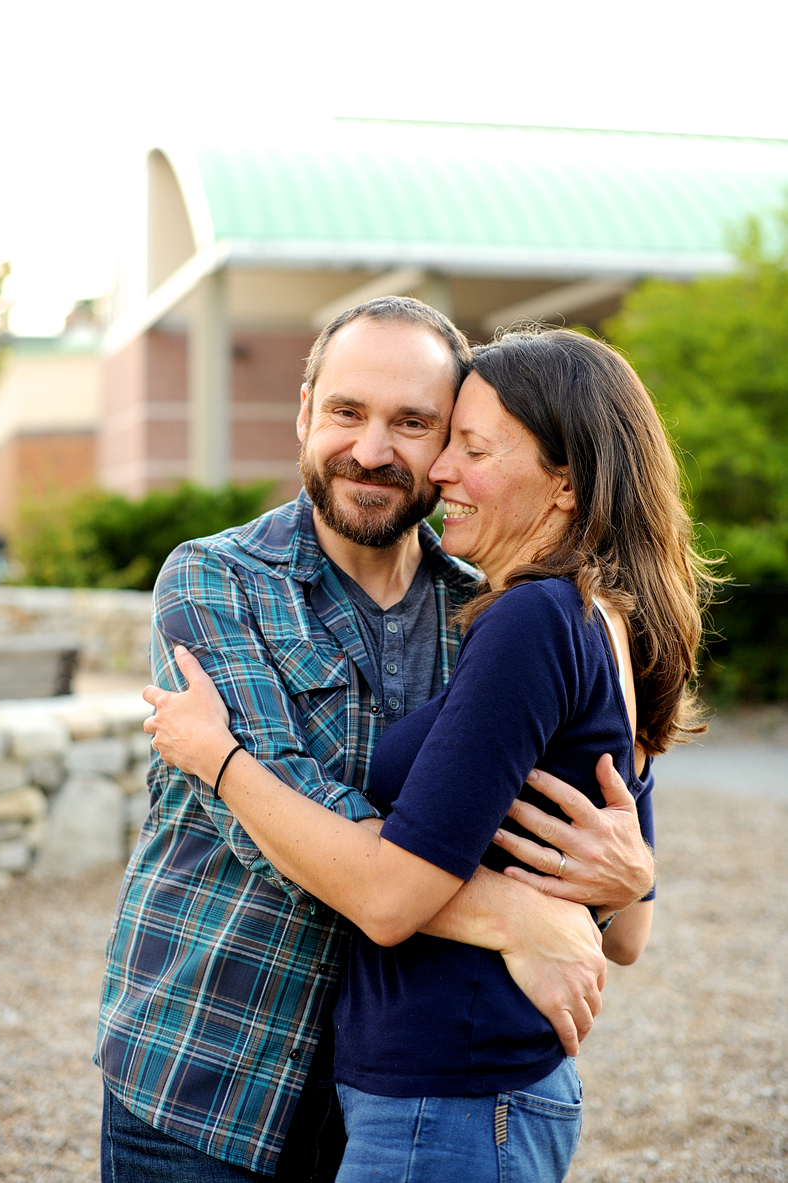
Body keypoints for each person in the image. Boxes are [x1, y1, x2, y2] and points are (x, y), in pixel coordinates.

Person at [98, 302, 656, 1182]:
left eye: (414, 423)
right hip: (207, 1077)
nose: (371, 450)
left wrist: (625, 885)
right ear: (305, 412)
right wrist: (516, 916)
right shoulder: (213, 579)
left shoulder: (494, 605)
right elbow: (284, 823)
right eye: (348, 413)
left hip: (397, 1089)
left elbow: (577, 829)